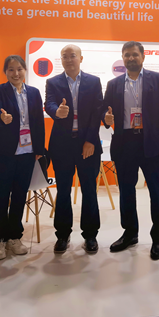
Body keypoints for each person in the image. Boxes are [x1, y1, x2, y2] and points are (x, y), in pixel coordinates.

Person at [103, 41, 159, 260]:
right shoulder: (113, 84)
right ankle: (130, 233)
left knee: (157, 190)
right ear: (122, 58)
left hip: (151, 142)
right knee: (126, 190)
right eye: (127, 55)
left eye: (134, 54)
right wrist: (106, 119)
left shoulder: (158, 79)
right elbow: (105, 112)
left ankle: (158, 238)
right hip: (124, 143)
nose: (130, 58)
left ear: (143, 56)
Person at [44, 44, 104, 254]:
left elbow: (97, 112)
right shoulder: (53, 82)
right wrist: (56, 111)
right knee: (63, 191)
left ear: (81, 58)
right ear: (61, 59)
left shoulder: (93, 82)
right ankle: (62, 235)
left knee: (89, 190)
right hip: (62, 145)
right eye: (64, 56)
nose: (69, 60)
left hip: (87, 143)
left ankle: (90, 235)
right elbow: (49, 104)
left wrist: (90, 140)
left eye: (72, 56)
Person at [0, 55, 46, 260]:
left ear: (25, 70)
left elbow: (39, 121)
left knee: (20, 196)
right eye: (11, 69)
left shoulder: (34, 92)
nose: (16, 73)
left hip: (27, 152)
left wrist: (39, 148)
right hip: (5, 152)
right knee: (2, 196)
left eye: (19, 69)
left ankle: (15, 237)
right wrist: (1, 118)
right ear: (5, 72)